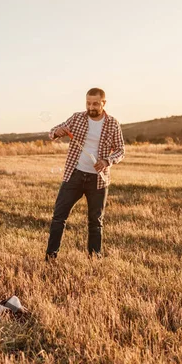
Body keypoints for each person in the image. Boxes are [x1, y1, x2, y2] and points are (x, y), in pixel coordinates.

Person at [45, 88, 125, 260]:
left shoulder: (113, 123)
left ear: (104, 103)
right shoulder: (77, 118)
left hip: (98, 180)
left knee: (95, 223)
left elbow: (120, 151)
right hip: (74, 175)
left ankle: (94, 259)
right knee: (59, 218)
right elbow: (54, 131)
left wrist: (106, 161)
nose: (91, 107)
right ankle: (51, 257)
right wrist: (56, 133)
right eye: (88, 103)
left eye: (95, 103)